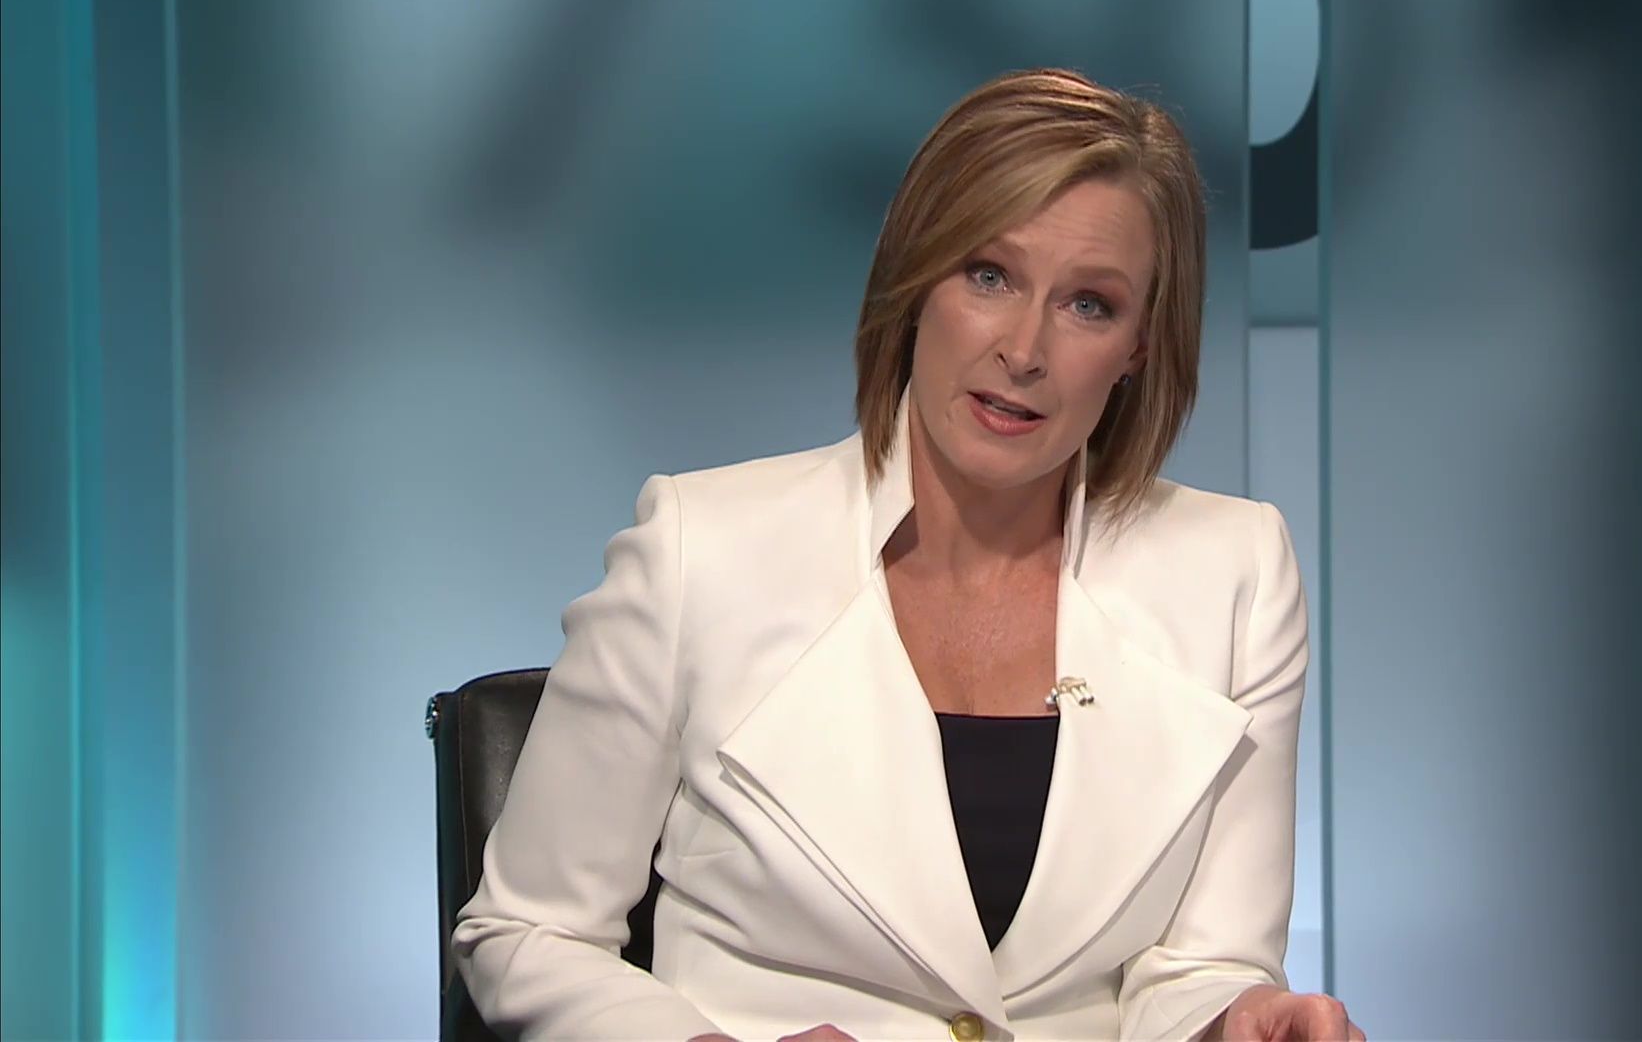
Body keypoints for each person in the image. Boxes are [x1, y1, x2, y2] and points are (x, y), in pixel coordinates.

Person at [452, 66, 1366, 1042]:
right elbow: (525, 932)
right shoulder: (699, 547)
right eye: (989, 275)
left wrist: (1240, 1020)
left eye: (1089, 305)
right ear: (915, 278)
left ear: (1140, 344)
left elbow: (1203, 968)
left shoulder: (1236, 573)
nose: (1025, 349)